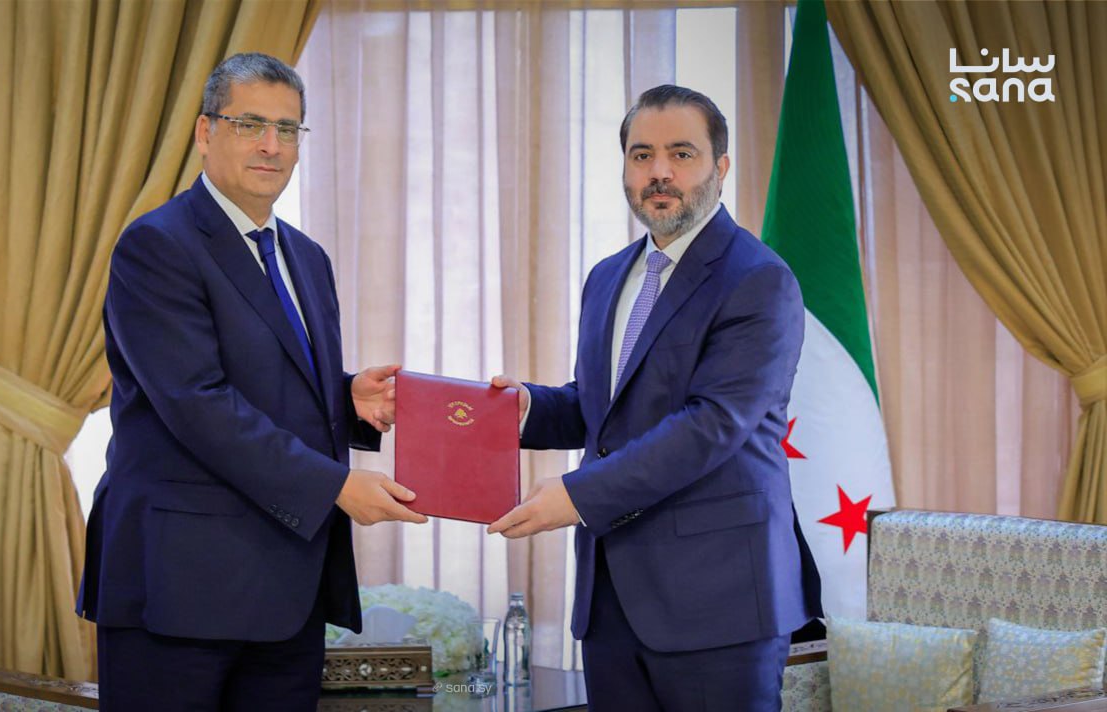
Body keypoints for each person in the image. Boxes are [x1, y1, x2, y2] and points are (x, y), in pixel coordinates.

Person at [77, 52, 427, 711]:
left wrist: (345, 398)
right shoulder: (156, 246)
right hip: (180, 585)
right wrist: (336, 485)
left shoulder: (307, 258)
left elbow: (264, 383)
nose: (272, 145)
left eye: (288, 128)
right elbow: (198, 404)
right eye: (250, 124)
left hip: (289, 586)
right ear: (205, 132)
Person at [488, 85, 822, 710]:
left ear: (721, 167)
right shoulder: (608, 276)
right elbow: (602, 408)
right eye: (642, 155)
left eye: (681, 154)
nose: (659, 171)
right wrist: (524, 408)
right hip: (611, 601)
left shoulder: (760, 279)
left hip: (720, 602)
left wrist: (577, 495)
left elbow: (712, 425)